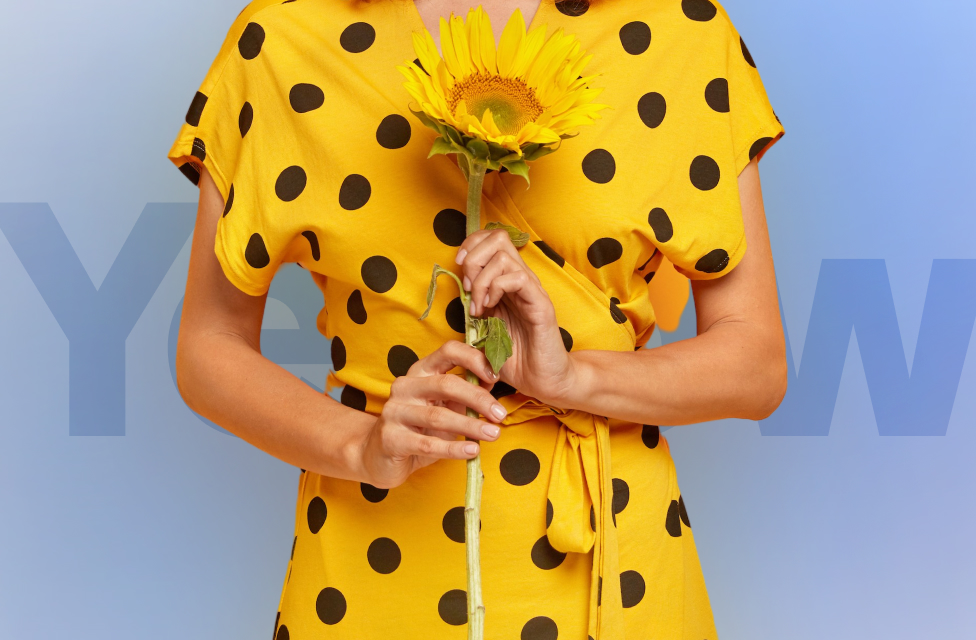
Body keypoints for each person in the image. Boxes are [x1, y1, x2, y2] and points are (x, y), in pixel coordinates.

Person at [168, 0, 787, 638]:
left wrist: (573, 377)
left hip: (613, 561)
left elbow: (756, 362)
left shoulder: (681, 33)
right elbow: (207, 348)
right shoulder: (281, 40)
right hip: (373, 563)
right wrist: (360, 445)